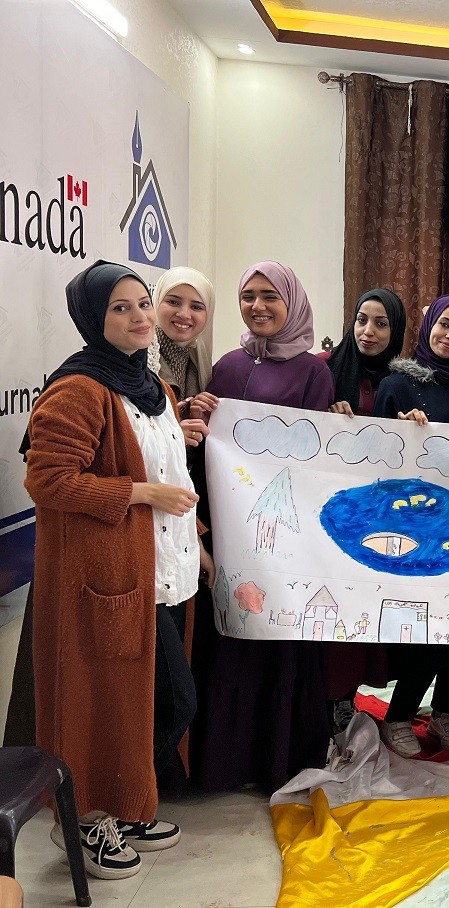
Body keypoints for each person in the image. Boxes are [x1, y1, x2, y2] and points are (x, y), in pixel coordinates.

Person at [24, 261, 212, 879]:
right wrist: (141, 494)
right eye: (120, 308)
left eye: (141, 304)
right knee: (111, 704)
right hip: (106, 579)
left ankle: (125, 805)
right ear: (93, 318)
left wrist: (176, 437)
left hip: (160, 571)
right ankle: (82, 819)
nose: (139, 317)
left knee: (151, 704)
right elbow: (49, 481)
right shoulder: (79, 388)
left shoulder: (151, 385)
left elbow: (161, 464)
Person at [192, 261, 335, 792]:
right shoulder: (226, 366)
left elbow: (314, 457)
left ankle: (278, 757)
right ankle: (223, 761)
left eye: (270, 296)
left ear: (292, 302)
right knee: (231, 635)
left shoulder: (314, 373)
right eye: (248, 295)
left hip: (284, 533)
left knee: (277, 635)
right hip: (228, 526)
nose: (257, 306)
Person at [373, 295, 449, 757]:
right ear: (428, 326)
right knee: (426, 629)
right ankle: (399, 715)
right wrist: (402, 432)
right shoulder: (397, 384)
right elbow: (376, 455)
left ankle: (442, 711)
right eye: (445, 325)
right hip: (415, 525)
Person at [316, 288, 407, 735]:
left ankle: (345, 697)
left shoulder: (403, 382)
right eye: (361, 320)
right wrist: (325, 412)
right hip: (331, 512)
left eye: (381, 323)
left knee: (361, 609)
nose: (368, 331)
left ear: (397, 331)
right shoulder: (323, 369)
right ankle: (322, 697)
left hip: (378, 517)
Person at [148, 267, 215, 406]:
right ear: (156, 301)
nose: (184, 314)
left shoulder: (199, 365)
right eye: (173, 302)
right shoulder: (137, 358)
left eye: (196, 307)